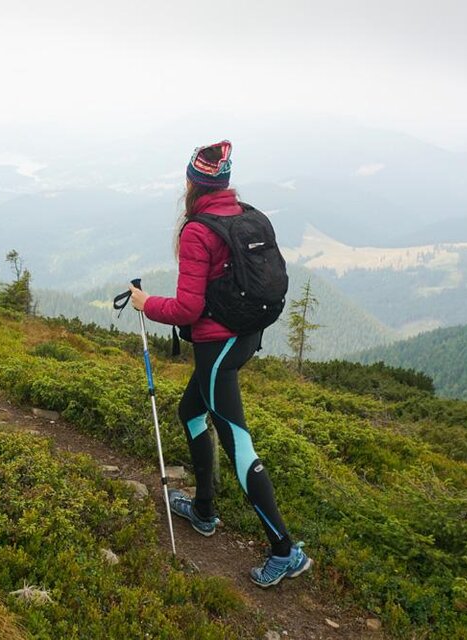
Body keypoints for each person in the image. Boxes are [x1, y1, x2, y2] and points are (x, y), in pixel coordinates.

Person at [127, 140, 312, 588]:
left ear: (193, 182)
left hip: (217, 349)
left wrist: (145, 302)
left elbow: (188, 309)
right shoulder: (243, 214)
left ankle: (285, 551)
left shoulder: (197, 230)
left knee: (239, 446)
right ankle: (205, 511)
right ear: (225, 181)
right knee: (190, 412)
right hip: (245, 337)